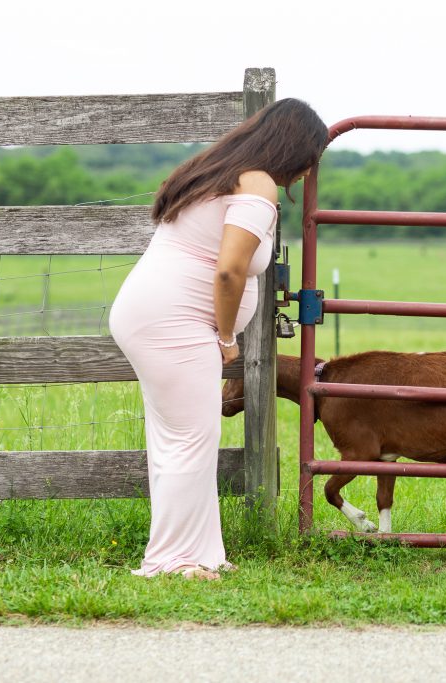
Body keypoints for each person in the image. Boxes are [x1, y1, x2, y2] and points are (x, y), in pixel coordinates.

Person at [109, 98, 328, 580]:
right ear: (296, 149)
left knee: (182, 439)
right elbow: (229, 271)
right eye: (311, 157)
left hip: (154, 314)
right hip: (175, 321)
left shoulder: (217, 170)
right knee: (190, 438)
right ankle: (171, 562)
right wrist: (227, 335)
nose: (306, 172)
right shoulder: (258, 183)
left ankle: (199, 554)